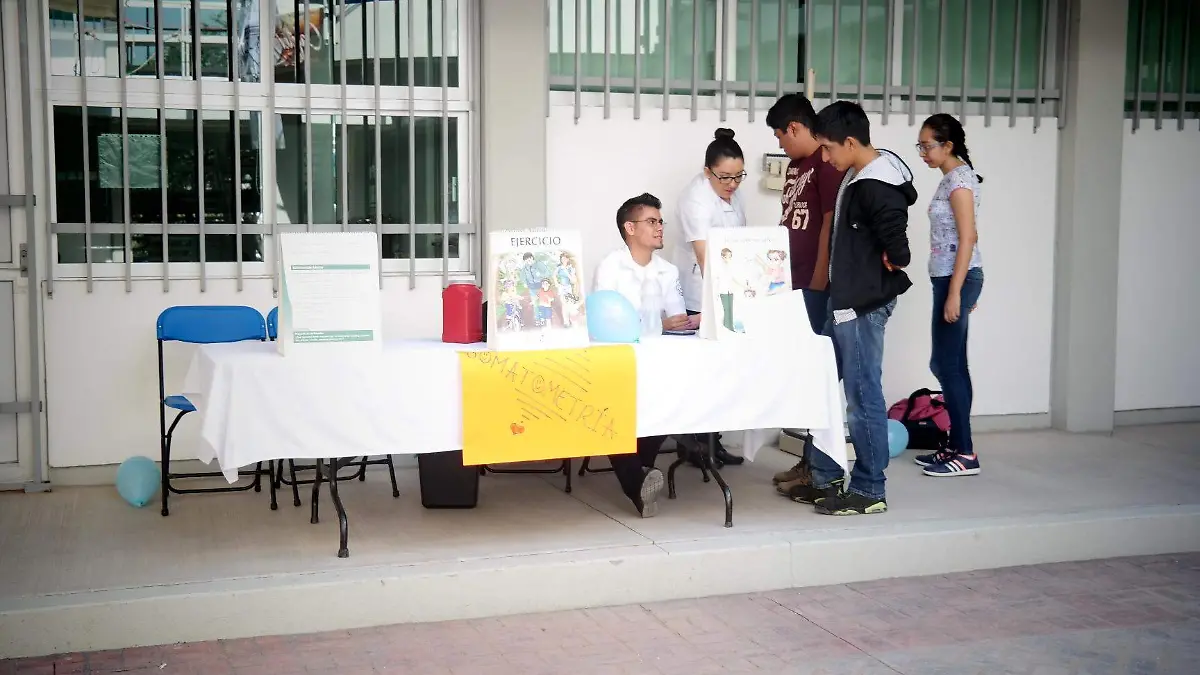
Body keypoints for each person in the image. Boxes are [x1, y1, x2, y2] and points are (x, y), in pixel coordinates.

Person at [797, 101, 916, 516]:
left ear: (850, 141)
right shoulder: (858, 173)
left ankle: (869, 487)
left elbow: (899, 251)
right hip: (844, 301)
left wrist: (890, 258)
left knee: (862, 395)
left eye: (829, 148)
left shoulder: (877, 184)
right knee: (830, 390)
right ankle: (826, 477)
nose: (825, 158)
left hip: (863, 305)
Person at [764, 94, 848, 495]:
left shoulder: (825, 164)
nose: (780, 144)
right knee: (803, 380)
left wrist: (817, 281)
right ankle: (809, 462)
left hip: (816, 287)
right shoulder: (797, 166)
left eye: (781, 136)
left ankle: (822, 470)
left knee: (821, 379)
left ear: (795, 127)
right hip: (791, 285)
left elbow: (828, 223)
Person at [593, 193, 692, 517]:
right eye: (652, 221)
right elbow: (605, 323)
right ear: (630, 228)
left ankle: (639, 476)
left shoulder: (668, 271)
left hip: (657, 360)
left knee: (667, 401)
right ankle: (638, 480)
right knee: (608, 413)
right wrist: (658, 324)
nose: (660, 227)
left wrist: (672, 324)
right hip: (615, 361)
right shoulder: (611, 267)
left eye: (660, 221)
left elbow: (676, 321)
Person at [913, 114, 985, 477]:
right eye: (921, 146)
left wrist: (955, 292)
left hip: (955, 279)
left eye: (928, 145)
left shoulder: (958, 180)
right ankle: (958, 445)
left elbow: (968, 238)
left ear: (948, 145)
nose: (923, 152)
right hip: (949, 278)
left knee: (946, 365)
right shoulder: (951, 178)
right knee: (952, 364)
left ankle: (966, 453)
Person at [672, 129, 748, 466]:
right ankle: (694, 444)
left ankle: (712, 441)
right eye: (725, 177)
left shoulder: (731, 191)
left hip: (729, 291)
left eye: (738, 176)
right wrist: (720, 305)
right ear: (708, 172)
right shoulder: (696, 199)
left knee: (724, 369)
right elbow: (706, 259)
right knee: (699, 371)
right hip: (701, 293)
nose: (732, 184)